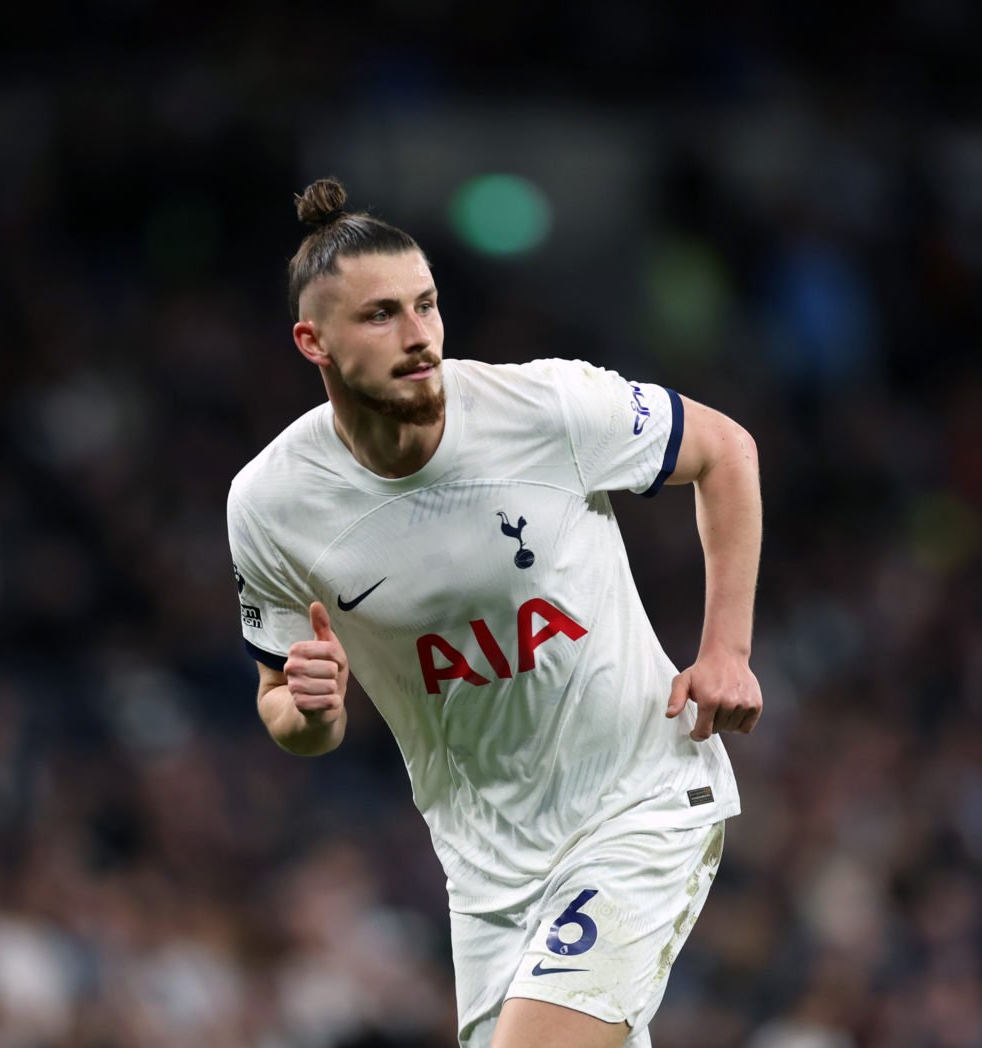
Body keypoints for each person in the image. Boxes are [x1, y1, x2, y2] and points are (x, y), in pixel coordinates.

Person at [226, 177, 763, 1048]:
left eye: (427, 306)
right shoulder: (270, 503)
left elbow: (725, 450)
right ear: (311, 340)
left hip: (637, 804)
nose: (417, 337)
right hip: (486, 871)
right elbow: (287, 712)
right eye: (380, 316)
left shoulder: (543, 409)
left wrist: (726, 651)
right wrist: (310, 707)